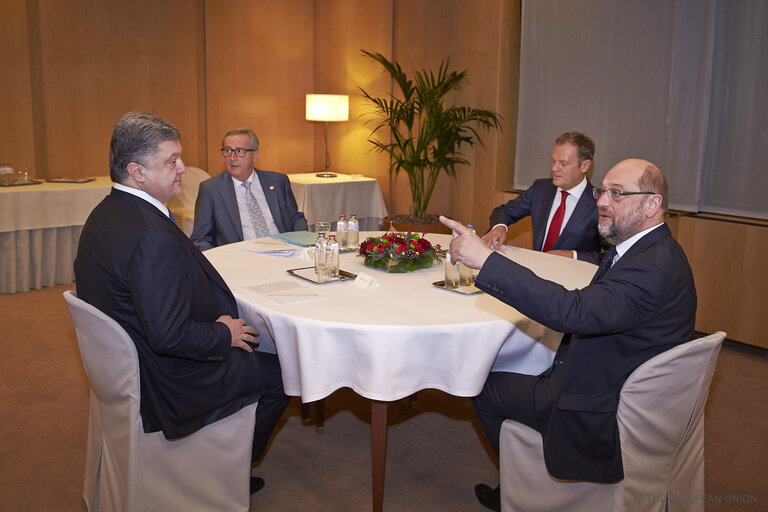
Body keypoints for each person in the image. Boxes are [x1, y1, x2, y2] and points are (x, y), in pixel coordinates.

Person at [441, 158, 697, 511]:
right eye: (602, 191)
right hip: (618, 373)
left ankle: (522, 489)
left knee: (482, 387)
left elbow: (572, 312)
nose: (602, 201)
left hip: (599, 404)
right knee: (533, 358)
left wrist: (486, 261)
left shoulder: (649, 269)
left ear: (653, 204)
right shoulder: (655, 251)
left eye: (617, 194)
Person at [74, 112, 290, 496]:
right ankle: (229, 474)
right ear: (136, 171)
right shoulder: (149, 235)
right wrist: (222, 332)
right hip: (167, 379)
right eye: (171, 160)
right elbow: (169, 335)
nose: (183, 169)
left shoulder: (106, 213)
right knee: (282, 375)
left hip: (130, 361)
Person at [481, 132, 602, 263]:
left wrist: (573, 255)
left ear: (584, 165)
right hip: (537, 272)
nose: (555, 168)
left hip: (575, 278)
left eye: (563, 163)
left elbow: (612, 256)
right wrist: (499, 228)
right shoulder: (540, 189)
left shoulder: (600, 203)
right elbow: (504, 211)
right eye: (553, 161)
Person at [191, 129, 307, 251]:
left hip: (285, 251)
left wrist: (303, 246)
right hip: (241, 258)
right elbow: (200, 239)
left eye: (239, 151)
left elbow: (295, 218)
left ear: (255, 155)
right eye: (228, 150)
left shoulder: (278, 181)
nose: (232, 157)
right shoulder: (211, 189)